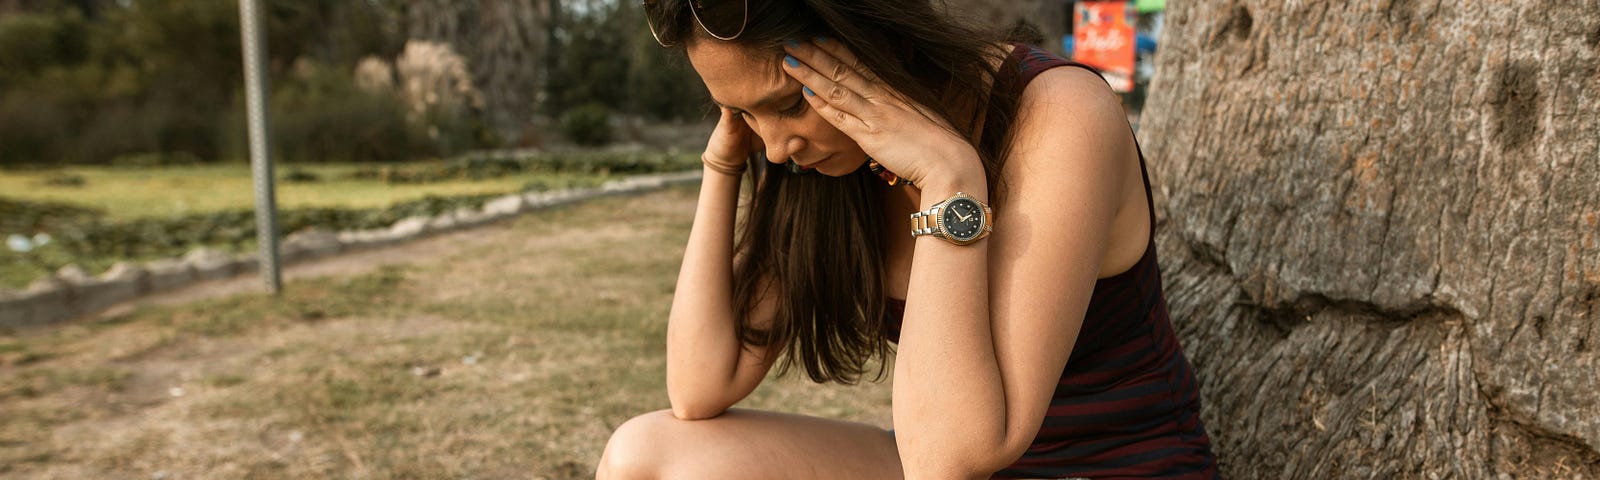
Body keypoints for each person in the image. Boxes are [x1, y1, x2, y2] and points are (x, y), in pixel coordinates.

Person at [598, 0, 1216, 478]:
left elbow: (958, 458)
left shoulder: (1057, 114)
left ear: (872, 43)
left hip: (1108, 466)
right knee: (642, 458)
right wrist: (722, 166)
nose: (778, 149)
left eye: (787, 104)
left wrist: (949, 181)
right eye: (743, 114)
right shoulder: (829, 162)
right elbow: (701, 383)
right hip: (930, 459)